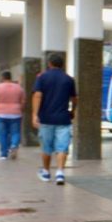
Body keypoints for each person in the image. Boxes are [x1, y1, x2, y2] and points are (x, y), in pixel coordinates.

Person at [31, 54, 77, 185]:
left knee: (47, 147)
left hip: (46, 119)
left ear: (49, 63)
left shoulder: (42, 77)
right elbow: (74, 98)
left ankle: (46, 172)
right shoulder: (69, 79)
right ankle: (60, 173)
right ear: (62, 65)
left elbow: (37, 95)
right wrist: (73, 111)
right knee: (62, 147)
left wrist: (35, 115)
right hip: (63, 118)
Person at [0, 71, 26, 160]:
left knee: (2, 134)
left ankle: (3, 154)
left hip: (1, 114)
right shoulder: (19, 88)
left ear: (2, 78)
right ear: (10, 77)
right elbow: (23, 102)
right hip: (16, 113)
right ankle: (14, 145)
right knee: (15, 132)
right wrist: (21, 110)